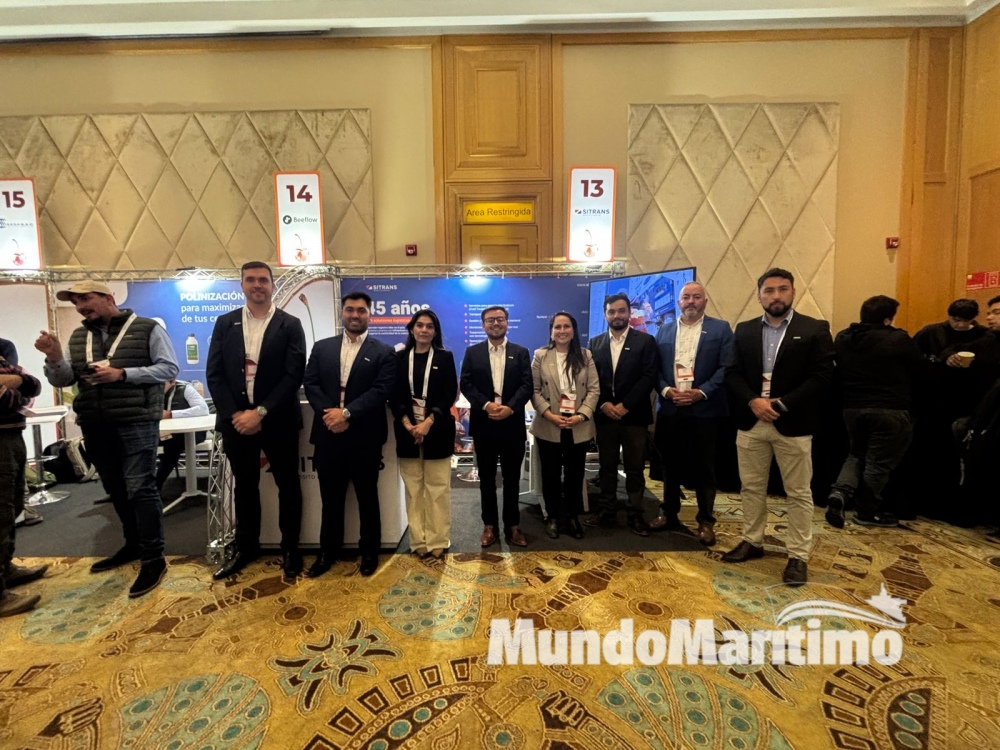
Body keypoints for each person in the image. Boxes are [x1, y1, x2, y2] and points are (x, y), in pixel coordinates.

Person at [35, 280, 178, 597]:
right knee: (116, 489)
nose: (80, 306)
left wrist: (123, 374)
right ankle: (133, 544)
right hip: (95, 423)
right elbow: (63, 379)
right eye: (76, 302)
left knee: (140, 488)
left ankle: (154, 558)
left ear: (108, 297)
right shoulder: (78, 336)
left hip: (136, 420)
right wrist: (54, 357)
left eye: (86, 299)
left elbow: (169, 368)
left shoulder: (147, 328)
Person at [722, 268, 835, 586]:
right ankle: (752, 540)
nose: (776, 296)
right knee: (751, 487)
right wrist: (753, 401)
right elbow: (732, 373)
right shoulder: (745, 330)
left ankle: (798, 555)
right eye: (769, 290)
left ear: (793, 292)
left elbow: (823, 376)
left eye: (782, 289)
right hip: (752, 420)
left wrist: (782, 404)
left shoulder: (813, 328)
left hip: (793, 422)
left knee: (798, 492)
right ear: (759, 295)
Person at [206, 261, 306, 580]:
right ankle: (246, 547)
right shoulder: (226, 323)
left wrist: (260, 412)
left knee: (288, 485)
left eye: (263, 279)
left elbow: (293, 375)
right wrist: (236, 415)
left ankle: (290, 549)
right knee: (245, 487)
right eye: (250, 279)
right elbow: (215, 373)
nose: (257, 284)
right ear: (242, 285)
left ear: (272, 284)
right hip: (237, 423)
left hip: (278, 420)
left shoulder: (290, 324)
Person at [304, 291, 396, 578]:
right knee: (330, 499)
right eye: (350, 310)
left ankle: (369, 552)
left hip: (364, 437)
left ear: (370, 314)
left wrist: (346, 414)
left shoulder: (384, 352)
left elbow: (381, 390)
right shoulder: (322, 348)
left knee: (368, 498)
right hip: (327, 434)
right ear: (342, 313)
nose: (355, 315)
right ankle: (327, 552)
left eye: (361, 310)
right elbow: (311, 384)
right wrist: (331, 415)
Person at [826, 296, 922, 529]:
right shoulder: (898, 339)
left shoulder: (844, 338)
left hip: (852, 408)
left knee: (855, 454)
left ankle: (840, 493)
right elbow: (920, 369)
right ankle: (866, 511)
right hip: (890, 409)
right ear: (887, 319)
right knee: (878, 463)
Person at [651, 281, 734, 545]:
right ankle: (669, 513)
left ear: (705, 302)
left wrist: (701, 392)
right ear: (679, 302)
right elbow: (654, 369)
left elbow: (726, 367)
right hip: (671, 408)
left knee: (705, 467)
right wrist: (666, 391)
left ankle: (705, 521)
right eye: (686, 297)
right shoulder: (663, 330)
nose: (691, 301)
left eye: (696, 297)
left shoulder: (721, 329)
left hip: (705, 410)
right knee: (669, 465)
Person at [584, 293, 658, 536]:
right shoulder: (594, 343)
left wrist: (626, 405)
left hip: (634, 416)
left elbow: (649, 376)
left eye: (621, 311)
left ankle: (635, 513)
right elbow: (591, 379)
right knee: (606, 467)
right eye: (611, 312)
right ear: (605, 315)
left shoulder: (645, 341)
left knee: (635, 468)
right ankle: (607, 510)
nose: (617, 316)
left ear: (629, 313)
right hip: (605, 415)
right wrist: (604, 404)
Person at [460, 306, 533, 548]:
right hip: (485, 425)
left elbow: (527, 385)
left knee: (512, 478)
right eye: (490, 320)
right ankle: (489, 525)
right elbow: (466, 384)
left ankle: (512, 525)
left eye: (500, 319)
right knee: (487, 479)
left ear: (507, 322)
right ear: (483, 325)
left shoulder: (521, 352)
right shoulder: (473, 352)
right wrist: (487, 405)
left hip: (512, 425)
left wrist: (510, 408)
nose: (495, 323)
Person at [390, 310, 458, 559]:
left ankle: (438, 539)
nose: (424, 330)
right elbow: (394, 394)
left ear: (435, 331)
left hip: (437, 430)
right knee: (413, 489)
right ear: (411, 329)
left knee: (438, 488)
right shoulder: (399, 358)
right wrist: (408, 423)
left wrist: (428, 422)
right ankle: (418, 540)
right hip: (407, 431)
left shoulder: (444, 357)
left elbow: (449, 393)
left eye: (430, 326)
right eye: (420, 325)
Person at [530, 312, 599, 539]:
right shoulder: (540, 355)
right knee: (550, 474)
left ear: (573, 330)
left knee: (574, 474)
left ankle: (571, 516)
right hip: (549, 424)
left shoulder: (585, 355)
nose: (562, 331)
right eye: (557, 327)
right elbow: (534, 390)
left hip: (578, 425)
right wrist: (549, 414)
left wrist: (581, 415)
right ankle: (552, 516)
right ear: (551, 331)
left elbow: (594, 389)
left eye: (566, 326)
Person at [0, 353, 45, 617]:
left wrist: (16, 382)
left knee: (13, 506)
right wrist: (20, 388)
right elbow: (9, 400)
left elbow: (34, 386)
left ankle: (5, 569)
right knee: (0, 513)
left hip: (12, 435)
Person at [156, 379, 210, 492]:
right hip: (167, 433)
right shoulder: (152, 393)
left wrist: (172, 414)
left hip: (193, 432)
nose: (159, 387)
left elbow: (203, 409)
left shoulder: (185, 389)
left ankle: (156, 485)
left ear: (172, 381)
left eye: (162, 383)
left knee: (170, 447)